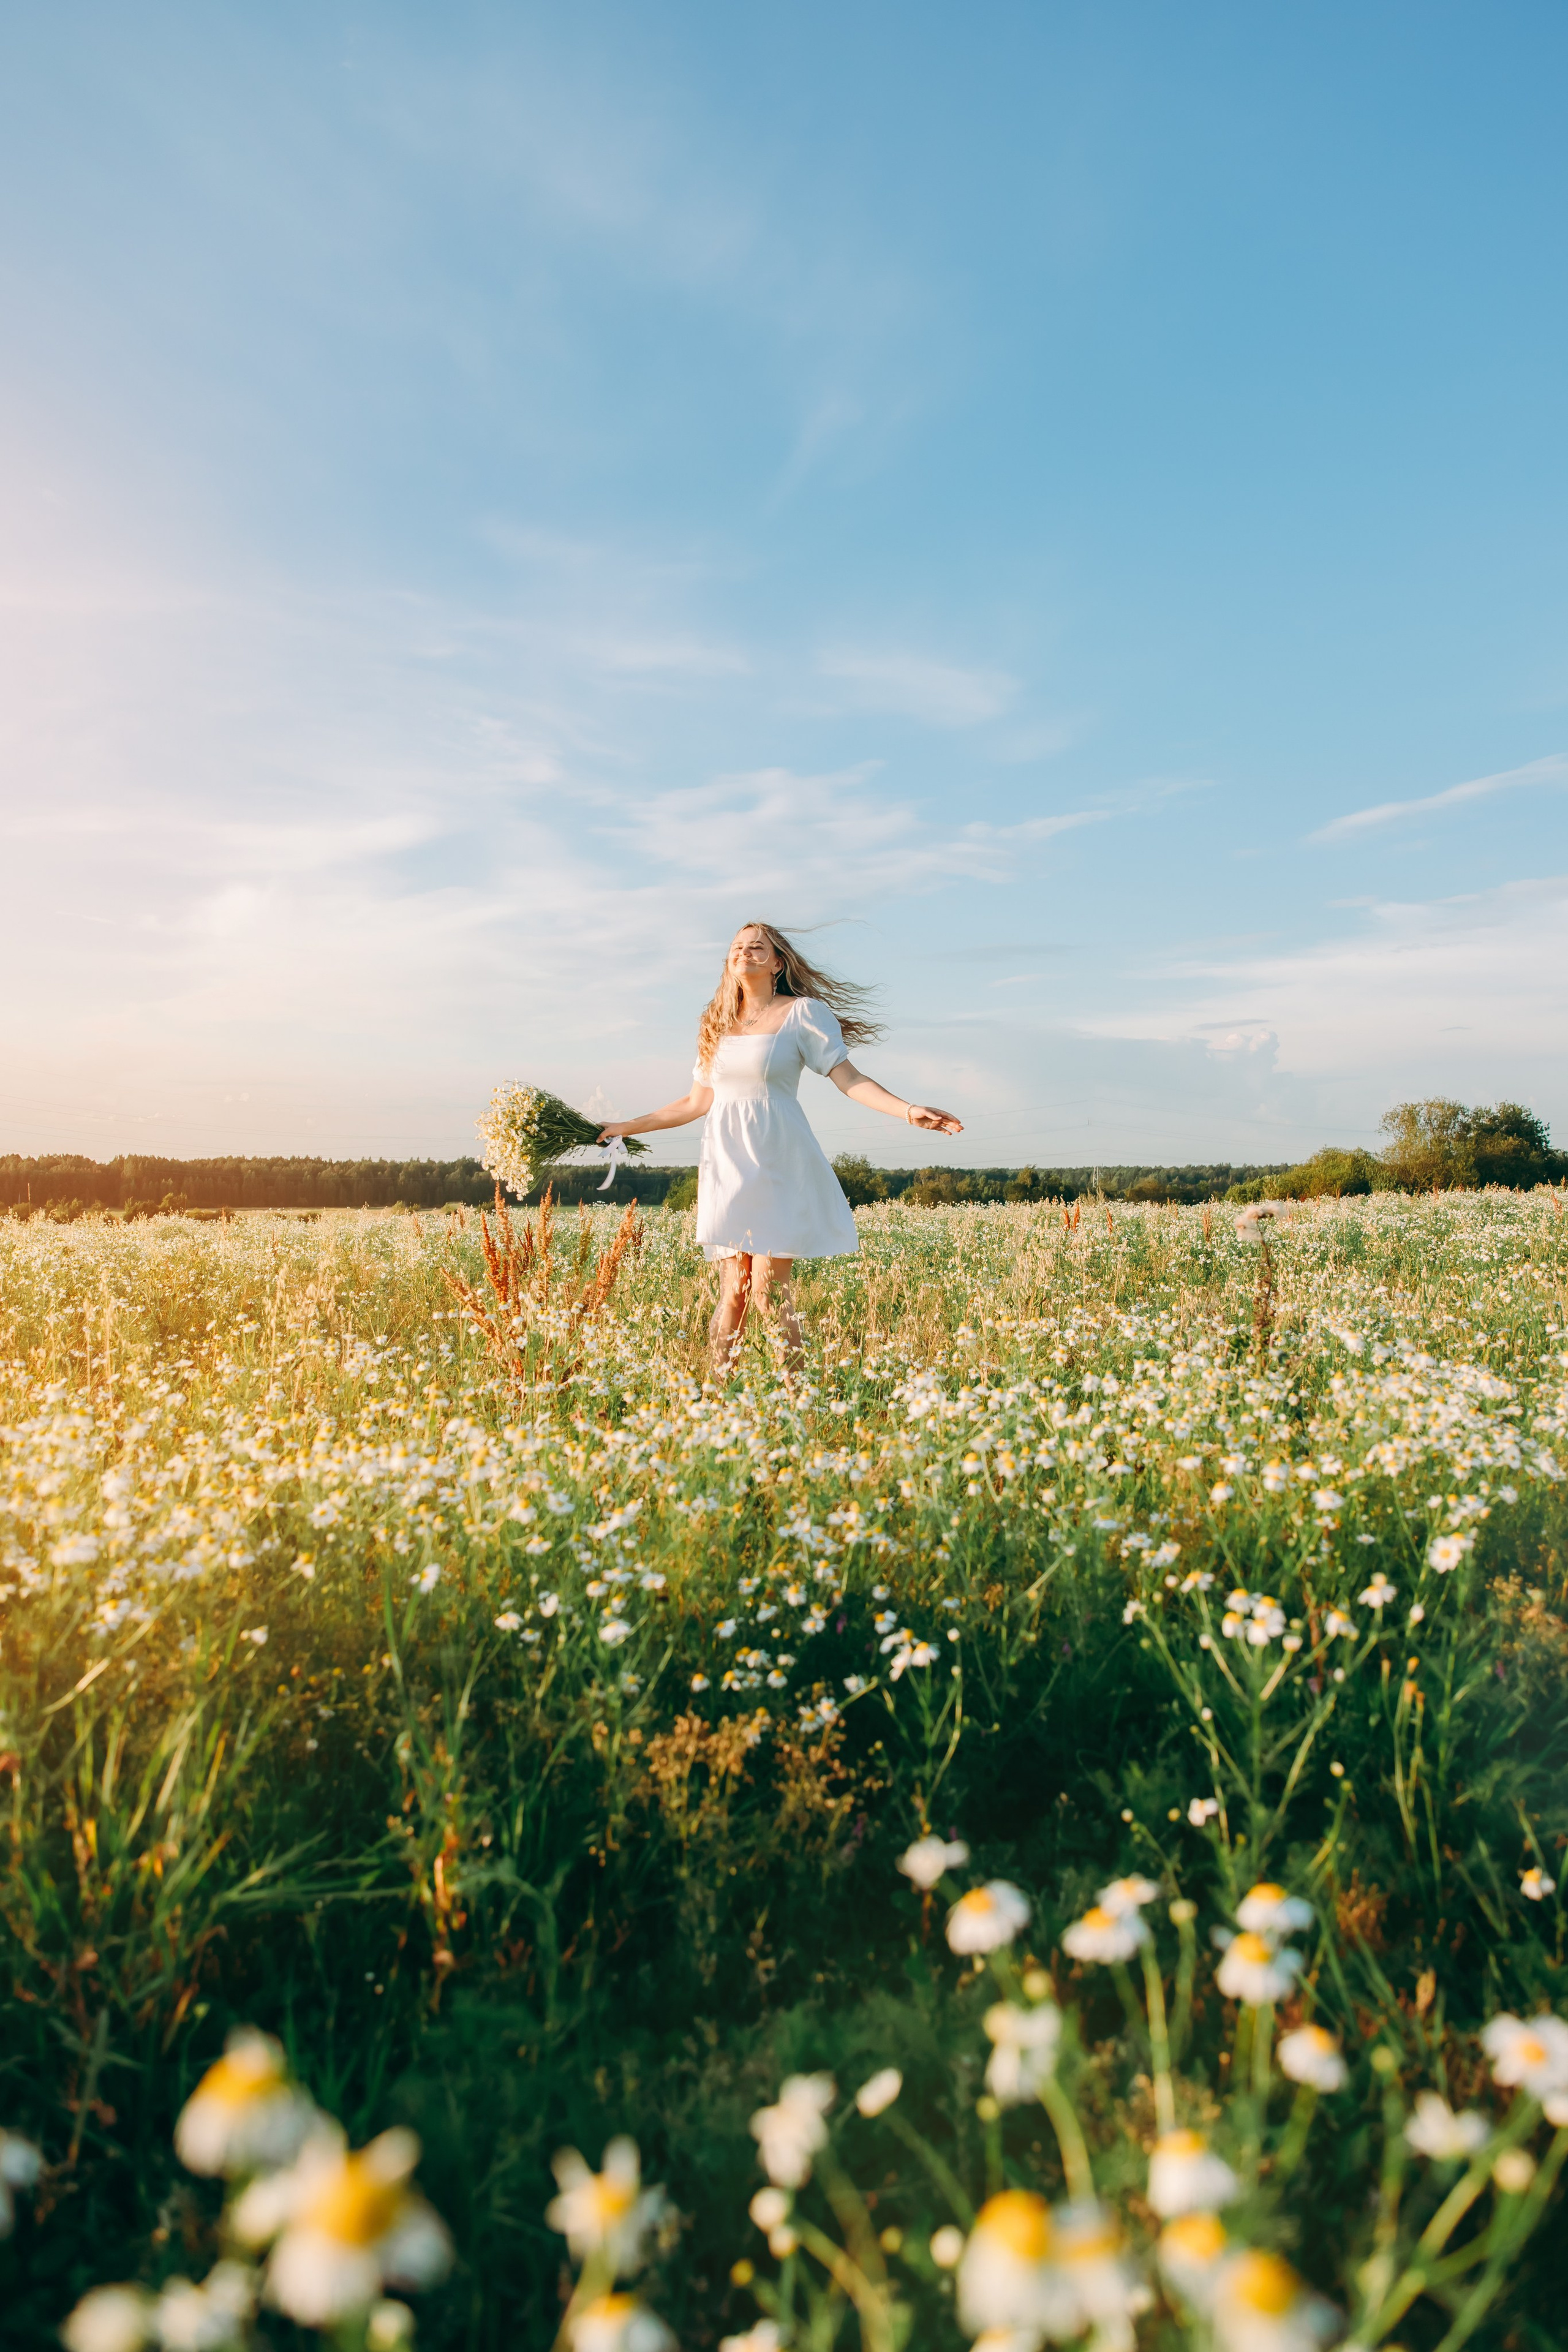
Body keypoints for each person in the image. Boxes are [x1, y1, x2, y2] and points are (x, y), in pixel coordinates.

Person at [598, 922, 962, 1379]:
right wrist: (624, 1127)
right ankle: (715, 1399)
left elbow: (849, 1079)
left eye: (757, 947)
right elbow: (695, 1103)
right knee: (734, 1290)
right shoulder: (716, 1024)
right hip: (725, 1162)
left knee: (768, 1292)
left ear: (777, 963)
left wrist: (908, 1111)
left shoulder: (803, 1014)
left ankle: (797, 1398)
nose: (745, 953)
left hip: (777, 1158)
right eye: (737, 947)